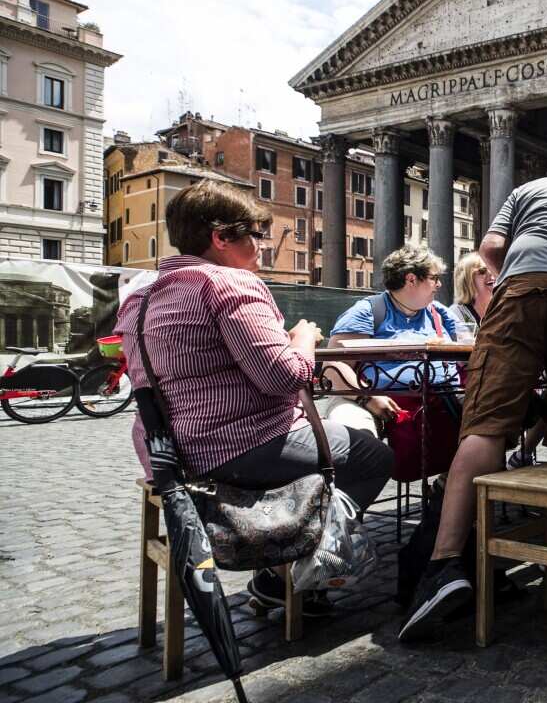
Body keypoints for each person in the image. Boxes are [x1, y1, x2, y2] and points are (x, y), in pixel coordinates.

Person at [115, 180, 392, 613]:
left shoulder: (140, 296)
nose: (261, 245)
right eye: (255, 234)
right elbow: (285, 377)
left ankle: (287, 567)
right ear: (221, 237)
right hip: (238, 448)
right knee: (373, 455)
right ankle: (290, 572)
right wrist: (303, 338)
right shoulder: (229, 284)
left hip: (166, 455)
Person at [400, 152, 547, 641]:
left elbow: (490, 248)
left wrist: (523, 270)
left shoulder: (528, 191)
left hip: (522, 293)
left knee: (486, 424)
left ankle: (444, 566)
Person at [324, 244, 458, 433]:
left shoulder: (440, 312)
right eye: (434, 278)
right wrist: (368, 398)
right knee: (355, 427)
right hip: (383, 405)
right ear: (411, 279)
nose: (439, 284)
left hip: (446, 399)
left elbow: (467, 345)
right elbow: (333, 367)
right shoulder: (368, 312)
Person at [447, 252, 495, 330]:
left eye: (492, 269)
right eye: (482, 271)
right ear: (467, 280)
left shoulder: (501, 310)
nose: (491, 275)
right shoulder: (455, 314)